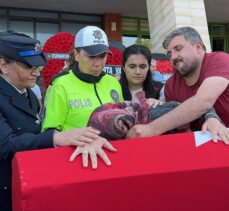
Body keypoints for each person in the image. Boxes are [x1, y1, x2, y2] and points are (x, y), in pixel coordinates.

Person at [0, 31, 110, 211]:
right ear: (3, 65)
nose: (37, 72)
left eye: (39, 66)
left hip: (25, 186)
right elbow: (6, 145)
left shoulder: (29, 94)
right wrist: (56, 138)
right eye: (29, 66)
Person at [126, 27, 229, 144]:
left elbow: (204, 100)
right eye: (169, 53)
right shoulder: (171, 85)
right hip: (204, 150)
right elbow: (181, 124)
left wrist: (151, 129)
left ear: (198, 47)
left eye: (178, 49)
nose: (173, 57)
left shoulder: (220, 60)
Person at [42, 26, 123, 168]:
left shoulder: (113, 82)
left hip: (115, 157)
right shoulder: (60, 85)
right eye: (91, 56)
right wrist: (82, 141)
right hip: (78, 162)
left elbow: (122, 119)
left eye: (102, 56)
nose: (98, 63)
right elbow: (49, 132)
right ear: (76, 54)